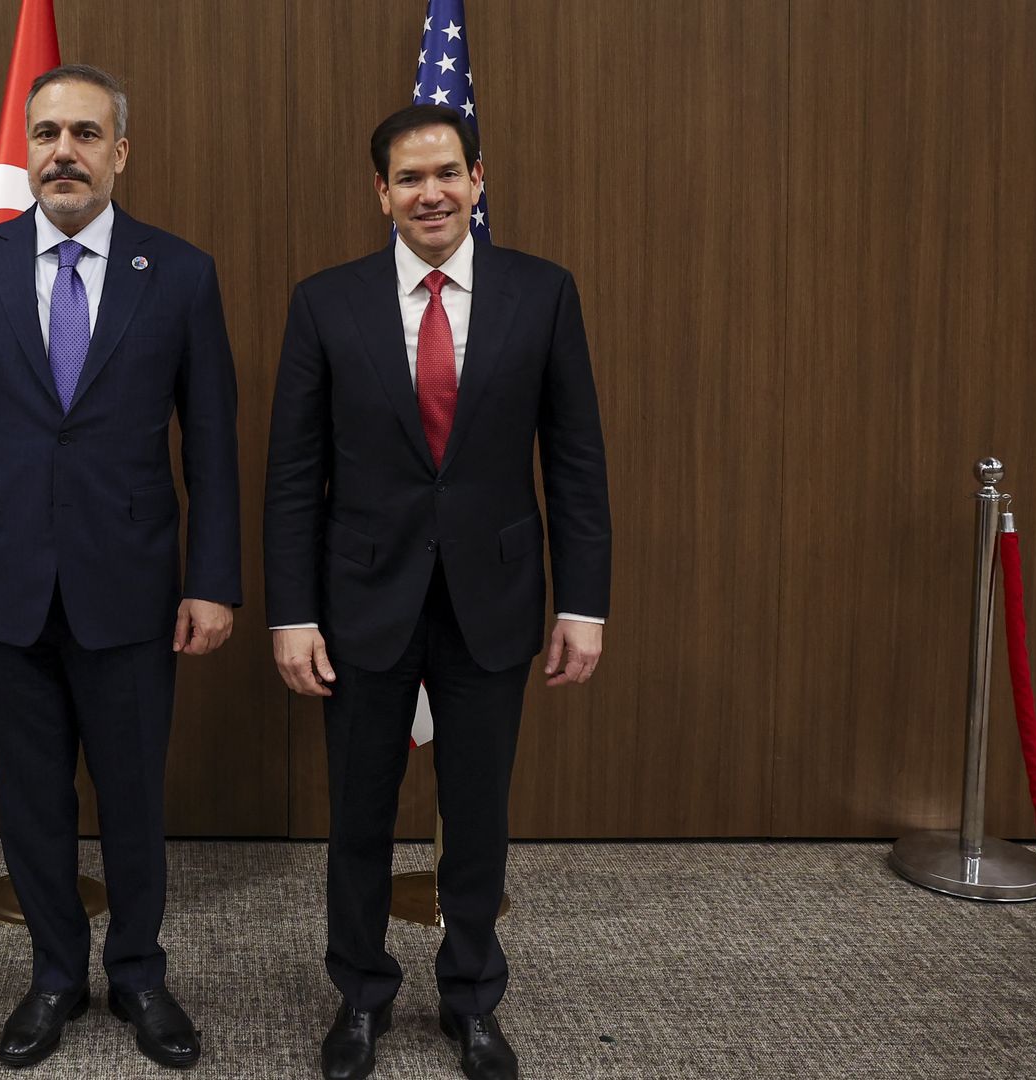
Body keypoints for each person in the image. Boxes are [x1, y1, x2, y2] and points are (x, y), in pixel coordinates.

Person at [0, 64, 241, 1072]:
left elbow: (212, 444)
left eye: (86, 133)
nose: (64, 152)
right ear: (28, 148)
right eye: (47, 132)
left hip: (133, 583)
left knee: (132, 797)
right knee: (32, 797)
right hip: (7, 582)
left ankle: (138, 973)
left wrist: (212, 580)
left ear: (119, 153)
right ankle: (55, 973)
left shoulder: (179, 272)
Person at [263, 104, 611, 1080]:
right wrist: (291, 612)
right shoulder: (325, 303)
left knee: (478, 815)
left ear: (478, 179)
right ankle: (361, 996)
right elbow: (292, 476)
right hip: (360, 603)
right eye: (410, 179)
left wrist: (582, 604)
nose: (431, 194)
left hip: (491, 601)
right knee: (359, 818)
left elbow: (576, 462)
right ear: (381, 193)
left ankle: (472, 999)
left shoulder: (543, 294)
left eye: (448, 173)